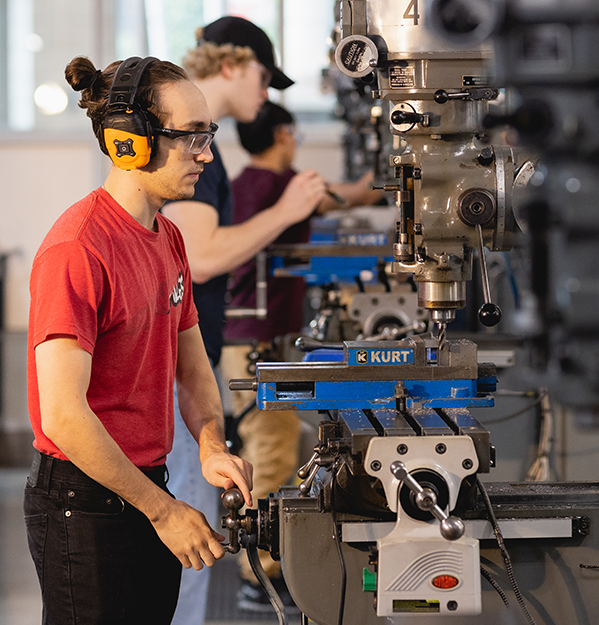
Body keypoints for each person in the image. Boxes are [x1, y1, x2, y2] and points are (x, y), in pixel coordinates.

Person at [24, 54, 252, 625]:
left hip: (146, 487)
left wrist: (210, 446)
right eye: (189, 137)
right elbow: (63, 417)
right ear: (130, 143)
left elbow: (193, 365)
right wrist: (164, 512)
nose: (206, 153)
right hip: (85, 503)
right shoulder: (77, 250)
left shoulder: (167, 237)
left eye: (209, 135)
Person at [158, 16, 326, 624]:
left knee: (194, 519)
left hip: (183, 359)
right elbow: (200, 256)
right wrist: (286, 210)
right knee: (192, 526)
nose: (266, 92)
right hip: (169, 370)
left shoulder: (208, 148)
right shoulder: (191, 148)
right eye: (262, 75)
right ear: (230, 66)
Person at [221, 101, 379, 611]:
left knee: (274, 446)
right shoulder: (280, 185)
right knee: (268, 452)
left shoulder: (247, 183)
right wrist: (395, 177)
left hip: (251, 336)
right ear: (284, 134)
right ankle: (257, 575)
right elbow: (346, 196)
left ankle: (264, 565)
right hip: (256, 340)